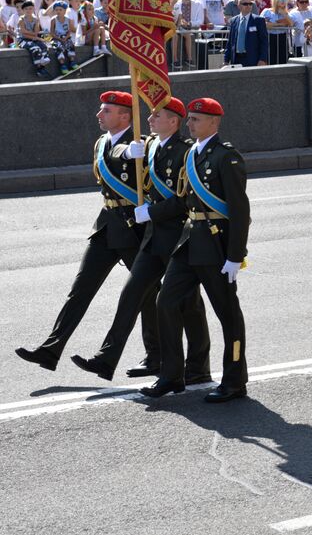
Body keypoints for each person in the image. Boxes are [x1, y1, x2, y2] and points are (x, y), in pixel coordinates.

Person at [14, 92, 166, 374]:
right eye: (101, 110)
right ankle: (51, 349)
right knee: (80, 290)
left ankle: (154, 356)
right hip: (107, 224)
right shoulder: (101, 143)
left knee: (145, 295)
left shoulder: (143, 145)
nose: (99, 115)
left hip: (134, 227)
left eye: (106, 111)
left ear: (125, 115)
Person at [69, 98, 211, 383]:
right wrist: (125, 151)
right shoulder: (149, 146)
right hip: (151, 237)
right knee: (131, 295)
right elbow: (117, 147)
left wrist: (152, 211)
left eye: (157, 115)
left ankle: (198, 366)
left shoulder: (185, 152)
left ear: (174, 121)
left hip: (177, 237)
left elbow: (185, 199)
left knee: (189, 304)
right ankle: (106, 360)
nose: (149, 119)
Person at [140, 98, 251, 404]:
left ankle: (234, 381)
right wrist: (152, 212)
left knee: (228, 316)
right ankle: (172, 375)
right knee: (166, 302)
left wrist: (235, 256)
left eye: (196, 119)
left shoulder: (226, 158)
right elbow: (181, 201)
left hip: (217, 247)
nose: (189, 124)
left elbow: (240, 211)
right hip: (189, 242)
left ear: (214, 122)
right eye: (189, 119)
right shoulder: (191, 154)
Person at [224, 0, 270, 67]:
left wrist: (263, 59)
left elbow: (264, 42)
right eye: (245, 4)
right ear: (239, 6)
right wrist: (226, 60)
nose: (248, 6)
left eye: (250, 4)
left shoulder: (259, 20)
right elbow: (230, 42)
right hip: (236, 58)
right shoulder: (234, 21)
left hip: (253, 59)